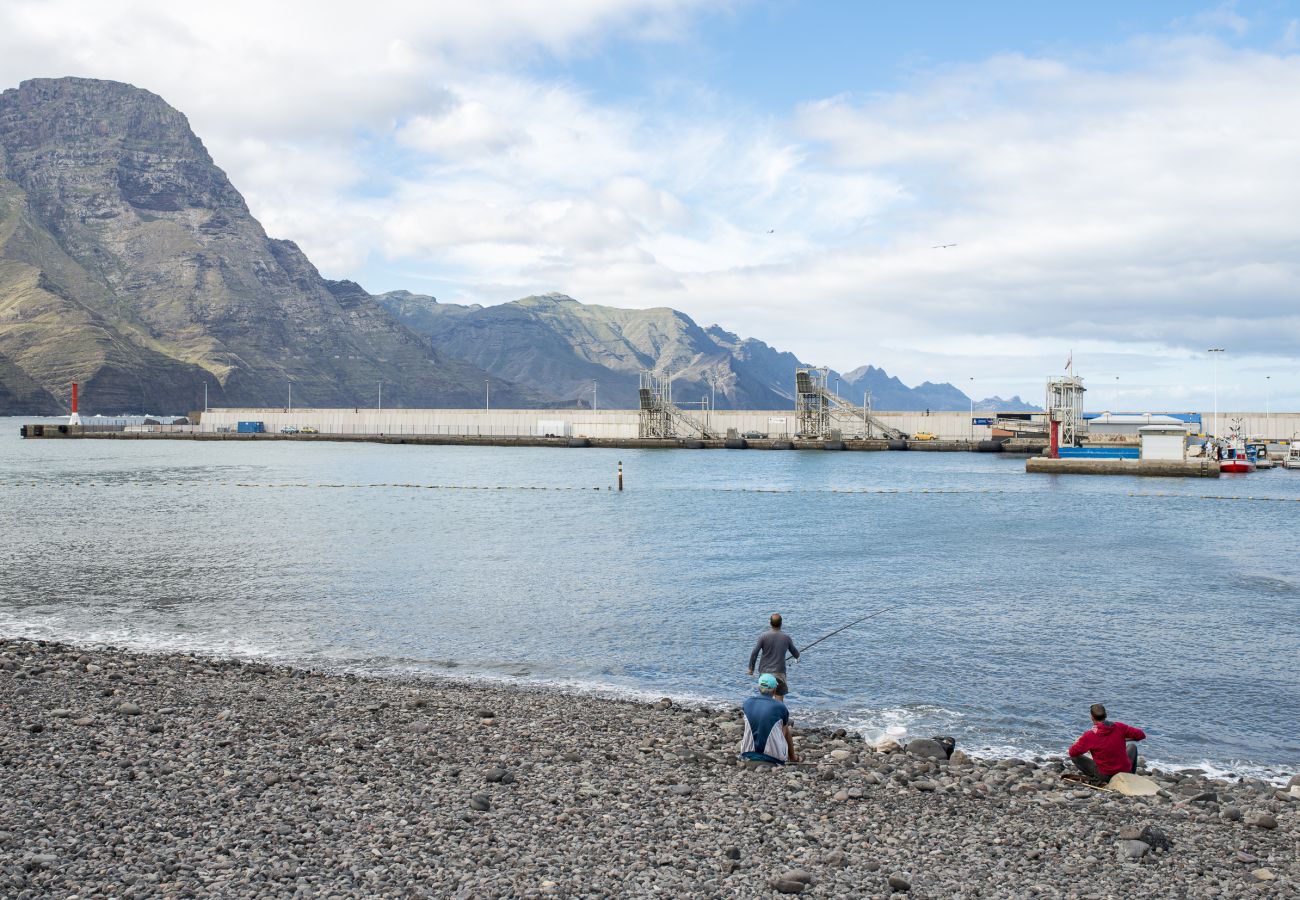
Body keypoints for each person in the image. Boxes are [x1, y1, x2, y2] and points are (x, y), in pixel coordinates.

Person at [1068, 703, 1145, 782]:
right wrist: (1123, 738)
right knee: (1132, 746)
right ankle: (1130, 775)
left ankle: (1097, 778)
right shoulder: (1119, 727)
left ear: (1092, 717)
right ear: (1106, 715)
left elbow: (1072, 752)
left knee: (1075, 757)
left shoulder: (1089, 735)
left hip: (1105, 776)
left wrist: (1078, 741)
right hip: (1124, 772)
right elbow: (1141, 735)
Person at [740, 673, 797, 764]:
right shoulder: (780, 706)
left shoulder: (747, 703)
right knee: (785, 726)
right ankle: (793, 757)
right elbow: (783, 730)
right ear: (774, 690)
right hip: (774, 757)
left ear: (759, 688)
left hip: (747, 753)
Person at [747, 613, 798, 700]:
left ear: (770, 623)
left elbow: (754, 653)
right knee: (779, 696)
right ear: (781, 623)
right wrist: (797, 656)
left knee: (765, 696)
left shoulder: (763, 636)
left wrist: (751, 669)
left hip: (764, 672)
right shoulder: (786, 638)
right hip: (779, 673)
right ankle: (778, 713)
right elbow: (795, 653)